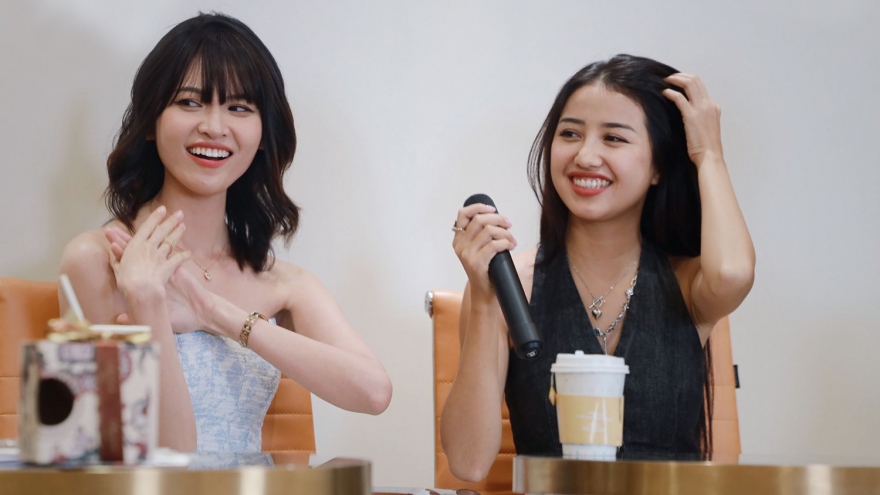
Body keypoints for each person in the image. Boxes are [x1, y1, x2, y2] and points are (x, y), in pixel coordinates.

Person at [59, 13, 392, 453]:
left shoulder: (283, 282)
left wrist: (214, 313)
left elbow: (373, 393)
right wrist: (148, 301)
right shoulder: (99, 260)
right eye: (189, 102)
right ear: (151, 120)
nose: (214, 127)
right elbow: (168, 457)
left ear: (263, 135)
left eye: (239, 108)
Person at [442, 54, 755, 481]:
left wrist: (709, 153)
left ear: (659, 166)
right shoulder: (512, 286)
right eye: (570, 133)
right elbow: (468, 462)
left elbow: (734, 274)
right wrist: (483, 299)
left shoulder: (687, 285)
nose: (586, 156)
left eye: (613, 138)